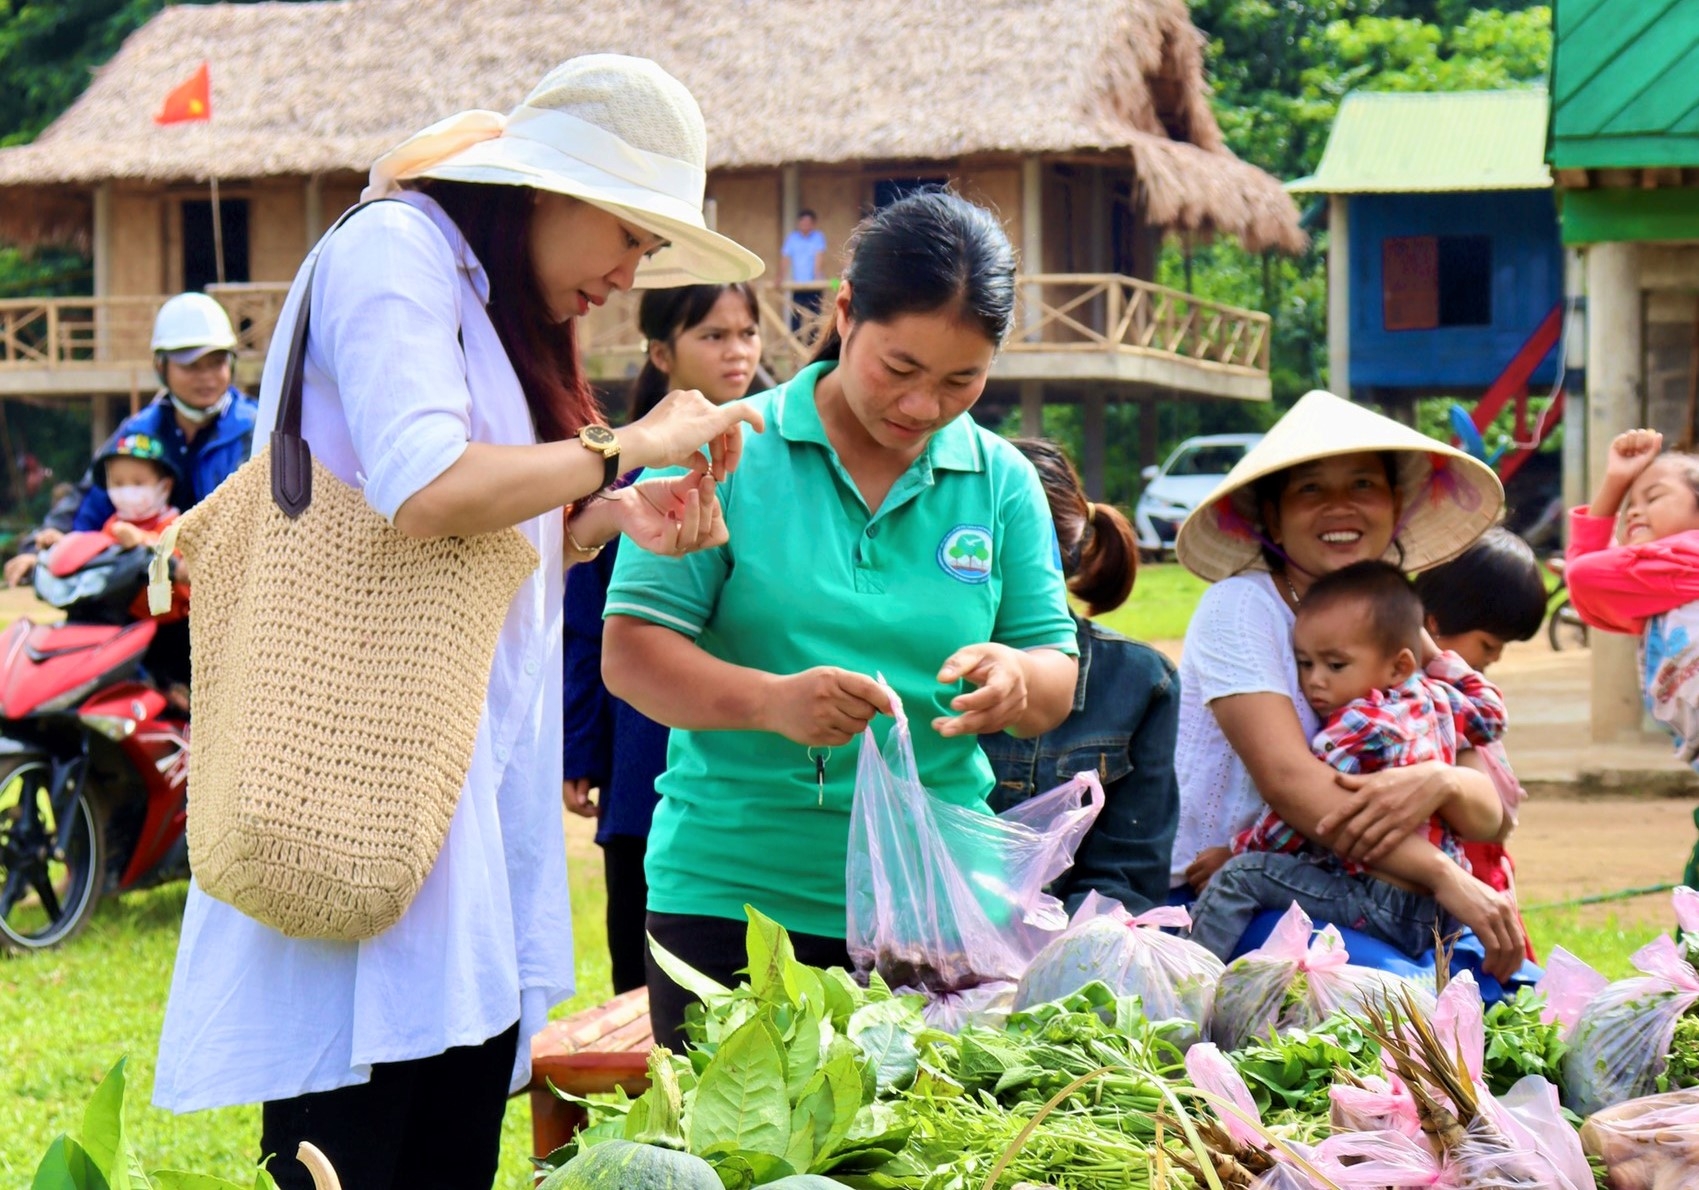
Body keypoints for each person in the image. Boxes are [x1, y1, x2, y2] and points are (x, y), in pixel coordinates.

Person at [151, 55, 766, 1190]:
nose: (632, 272)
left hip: (467, 780)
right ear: (545, 188)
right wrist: (628, 443)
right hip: (364, 761)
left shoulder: (488, 294)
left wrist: (608, 517)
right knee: (355, 1122)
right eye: (629, 234)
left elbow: (478, 535)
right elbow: (424, 486)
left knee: (453, 1107)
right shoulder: (396, 249)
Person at [602, 189, 1080, 1041]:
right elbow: (632, 654)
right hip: (737, 900)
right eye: (899, 369)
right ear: (846, 311)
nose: (923, 407)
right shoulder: (726, 448)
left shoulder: (1000, 482)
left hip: (938, 911)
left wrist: (1017, 679)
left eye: (961, 380)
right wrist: (769, 703)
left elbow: (1053, 669)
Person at [1167, 390, 1526, 980]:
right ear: (1272, 518)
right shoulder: (1240, 607)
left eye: (1363, 485)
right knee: (1407, 1007)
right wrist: (1446, 875)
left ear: (1395, 504)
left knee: (1520, 1004)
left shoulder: (1395, 622)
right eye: (1311, 489)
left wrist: (1437, 780)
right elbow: (1295, 788)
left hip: (1385, 896)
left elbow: (1492, 814)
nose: (1341, 507)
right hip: (1242, 895)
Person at [561, 281, 762, 994]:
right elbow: (583, 627)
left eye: (746, 332)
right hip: (642, 757)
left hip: (748, 761)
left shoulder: (772, 470)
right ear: (661, 353)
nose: (736, 351)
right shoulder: (622, 474)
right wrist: (580, 746)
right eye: (712, 335)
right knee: (647, 993)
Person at [1186, 561, 1507, 960]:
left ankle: (1186, 990)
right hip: (1436, 912)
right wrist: (1433, 655)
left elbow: (1305, 818)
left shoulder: (1360, 723)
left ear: (1399, 665)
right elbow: (1491, 710)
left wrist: (1235, 851)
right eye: (1305, 664)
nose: (1317, 680)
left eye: (1335, 665)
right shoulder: (1441, 699)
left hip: (1375, 900)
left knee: (1242, 877)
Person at [980, 438, 1179, 915]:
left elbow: (1126, 878)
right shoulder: (906, 668)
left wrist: (1059, 954)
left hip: (1077, 957)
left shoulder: (1140, 683)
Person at [4, 292, 259, 588]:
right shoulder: (140, 431)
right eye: (191, 366)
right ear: (161, 366)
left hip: (230, 595)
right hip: (149, 597)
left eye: (216, 363)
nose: (207, 377)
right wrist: (40, 546)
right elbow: (89, 500)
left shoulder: (255, 429)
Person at [1411, 525, 1548, 959]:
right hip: (1452, 898)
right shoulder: (1414, 708)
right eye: (1489, 643)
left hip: (1487, 883)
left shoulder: (1466, 701)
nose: (1496, 657)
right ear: (1431, 626)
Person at [781, 208, 828, 329]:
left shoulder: (818, 237)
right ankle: (795, 346)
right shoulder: (792, 238)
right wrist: (780, 277)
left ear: (813, 224)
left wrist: (817, 277)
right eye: (803, 222)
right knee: (796, 318)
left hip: (814, 285)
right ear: (799, 223)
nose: (806, 225)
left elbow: (819, 258)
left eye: (808, 222)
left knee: (815, 317)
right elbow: (785, 258)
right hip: (798, 286)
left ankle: (814, 347)